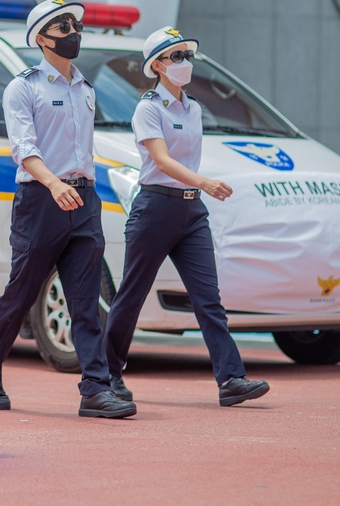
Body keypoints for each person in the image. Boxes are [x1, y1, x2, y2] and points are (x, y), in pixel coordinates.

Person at [0, 0, 137, 419]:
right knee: (22, 292)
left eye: (75, 26)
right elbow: (23, 149)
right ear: (42, 39)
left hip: (84, 199)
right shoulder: (23, 87)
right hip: (41, 200)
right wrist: (53, 184)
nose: (73, 33)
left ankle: (95, 389)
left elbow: (83, 150)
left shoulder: (86, 89)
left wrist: (82, 189)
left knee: (85, 300)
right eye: (63, 27)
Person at [103, 26, 270, 407]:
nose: (185, 62)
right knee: (131, 295)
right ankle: (108, 374)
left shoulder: (193, 107)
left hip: (191, 211)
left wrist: (199, 188)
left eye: (187, 55)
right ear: (157, 65)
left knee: (208, 298)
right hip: (156, 208)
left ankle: (231, 379)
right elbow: (161, 161)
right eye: (176, 56)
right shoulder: (148, 108)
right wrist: (206, 182)